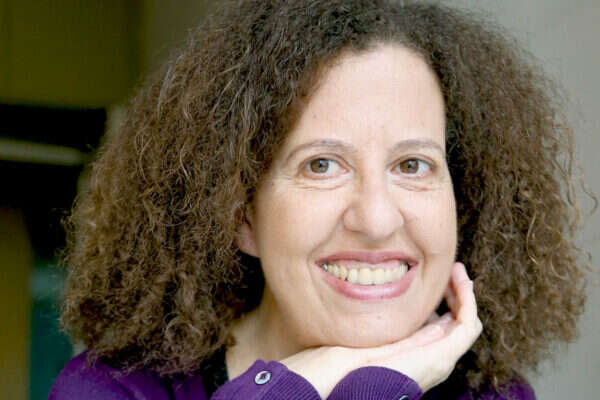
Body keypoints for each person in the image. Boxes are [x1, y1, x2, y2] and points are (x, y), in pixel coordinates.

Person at [49, 0, 588, 399]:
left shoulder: (492, 396)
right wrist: (335, 384)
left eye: (412, 165)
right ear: (240, 213)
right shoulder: (110, 390)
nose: (376, 219)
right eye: (321, 165)